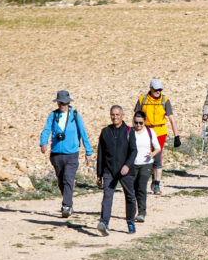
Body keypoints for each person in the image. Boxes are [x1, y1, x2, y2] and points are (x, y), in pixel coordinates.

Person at [39, 89, 93, 219]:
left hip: (71, 154)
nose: (62, 105)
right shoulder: (53, 115)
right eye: (60, 103)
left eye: (65, 103)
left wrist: (88, 151)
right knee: (61, 181)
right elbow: (46, 129)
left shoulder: (75, 115)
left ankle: (66, 206)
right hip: (56, 154)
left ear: (68, 102)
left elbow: (83, 133)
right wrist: (43, 143)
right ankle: (68, 201)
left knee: (68, 178)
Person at [94, 105, 137, 236]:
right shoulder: (105, 132)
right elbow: (100, 153)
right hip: (109, 170)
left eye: (118, 114)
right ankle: (104, 223)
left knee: (130, 196)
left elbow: (134, 151)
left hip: (125, 171)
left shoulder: (129, 131)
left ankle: (130, 221)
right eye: (113, 114)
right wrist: (99, 174)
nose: (115, 117)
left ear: (122, 116)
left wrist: (127, 165)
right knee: (107, 196)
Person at [133, 79, 178, 196]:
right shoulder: (142, 100)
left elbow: (171, 118)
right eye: (156, 89)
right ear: (150, 88)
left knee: (157, 157)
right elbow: (137, 116)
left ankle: (156, 183)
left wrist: (176, 136)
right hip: (146, 131)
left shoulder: (165, 101)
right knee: (145, 156)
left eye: (160, 89)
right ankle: (144, 180)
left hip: (160, 132)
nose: (158, 92)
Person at [128, 110, 160, 224]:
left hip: (146, 164)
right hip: (133, 164)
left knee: (141, 187)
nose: (138, 125)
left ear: (145, 121)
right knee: (132, 189)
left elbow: (157, 148)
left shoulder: (150, 132)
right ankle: (132, 211)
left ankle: (141, 212)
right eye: (136, 122)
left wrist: (152, 154)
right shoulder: (129, 132)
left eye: (141, 123)